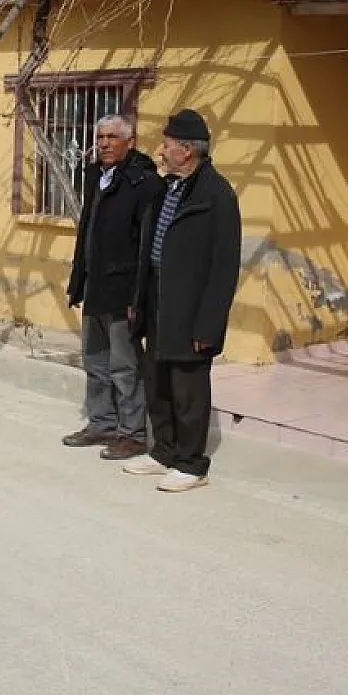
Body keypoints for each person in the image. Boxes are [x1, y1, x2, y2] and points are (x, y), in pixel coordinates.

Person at [122, 110, 242, 493]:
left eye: (168, 145)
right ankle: (165, 452)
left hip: (191, 306)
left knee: (188, 386)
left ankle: (192, 464)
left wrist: (208, 324)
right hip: (158, 297)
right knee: (157, 379)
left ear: (187, 150)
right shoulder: (166, 188)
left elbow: (224, 268)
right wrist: (137, 299)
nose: (161, 151)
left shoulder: (217, 196)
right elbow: (147, 249)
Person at [64, 113, 161, 460]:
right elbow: (87, 231)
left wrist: (138, 297)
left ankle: (132, 433)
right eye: (100, 137)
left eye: (112, 138)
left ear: (130, 142)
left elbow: (147, 245)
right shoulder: (96, 177)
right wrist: (78, 281)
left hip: (123, 293)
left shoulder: (145, 183)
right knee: (95, 361)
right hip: (96, 287)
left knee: (125, 366)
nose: (104, 144)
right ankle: (102, 422)